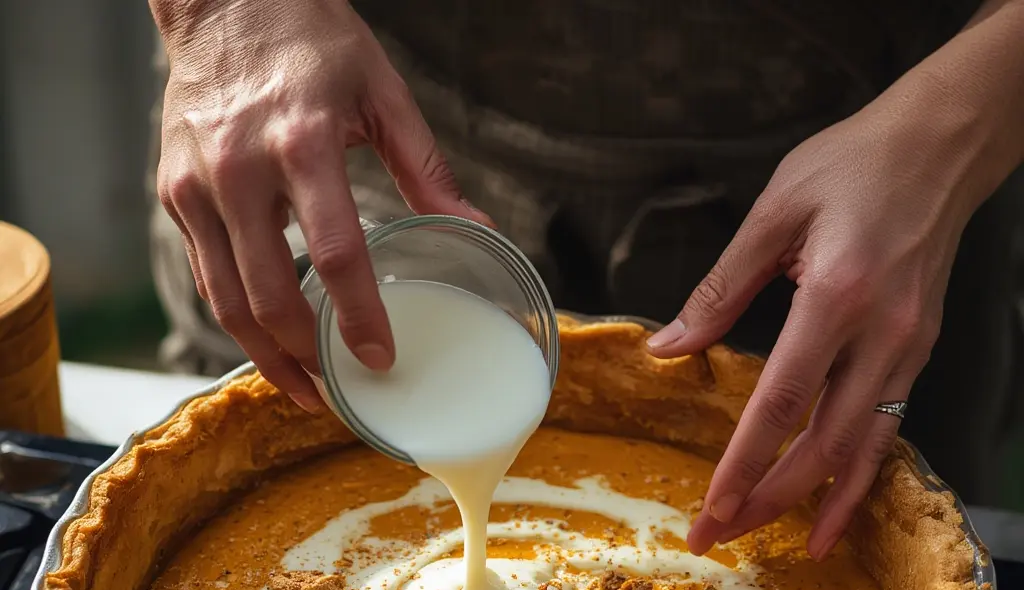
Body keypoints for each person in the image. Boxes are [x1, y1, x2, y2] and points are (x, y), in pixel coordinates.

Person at [147, 0, 1024, 557]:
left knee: (862, 483)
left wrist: (959, 123)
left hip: (893, 179)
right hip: (350, 138)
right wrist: (214, 11)